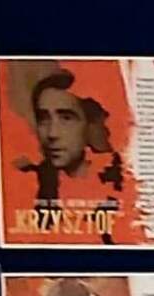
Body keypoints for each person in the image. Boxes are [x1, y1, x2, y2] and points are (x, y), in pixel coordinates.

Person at [19, 70, 124, 207]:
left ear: (89, 123)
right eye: (43, 119)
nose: (52, 133)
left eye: (66, 118)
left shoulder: (123, 180)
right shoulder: (28, 184)